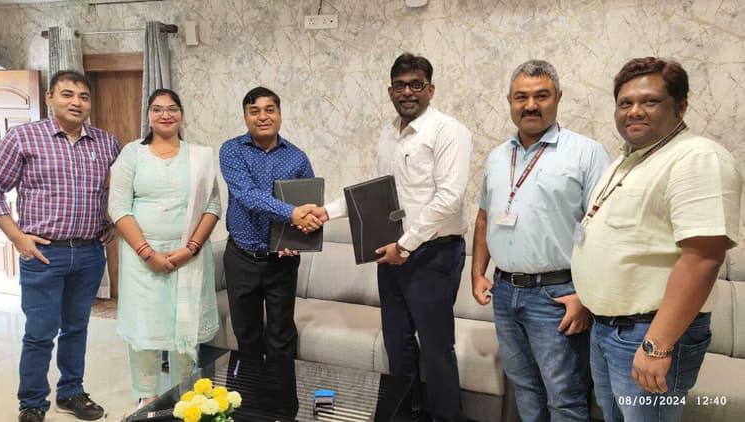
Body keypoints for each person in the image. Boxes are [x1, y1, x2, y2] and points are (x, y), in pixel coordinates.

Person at [571, 57, 742, 422]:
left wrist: (658, 345)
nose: (634, 111)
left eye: (650, 101)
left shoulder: (697, 158)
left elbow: (702, 258)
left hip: (648, 333)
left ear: (680, 106)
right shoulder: (628, 161)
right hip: (607, 328)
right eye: (625, 103)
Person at [315, 53, 472, 422]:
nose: (407, 92)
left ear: (430, 89)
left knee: (436, 348)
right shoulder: (389, 133)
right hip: (392, 253)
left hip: (433, 255)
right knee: (397, 343)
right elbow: (377, 193)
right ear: (390, 91)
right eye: (400, 86)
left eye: (416, 84)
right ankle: (405, 415)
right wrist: (327, 211)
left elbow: (449, 198)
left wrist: (406, 245)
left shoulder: (448, 131)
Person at [470, 60, 610, 422]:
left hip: (558, 295)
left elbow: (604, 230)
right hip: (504, 291)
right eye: (521, 97)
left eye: (541, 96)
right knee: (524, 388)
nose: (530, 105)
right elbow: (484, 215)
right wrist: (477, 273)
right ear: (510, 100)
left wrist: (586, 296)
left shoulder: (586, 153)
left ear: (558, 98)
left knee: (564, 397)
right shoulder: (497, 156)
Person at [0, 70, 121, 422]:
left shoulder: (107, 143)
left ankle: (71, 393)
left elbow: (126, 188)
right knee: (40, 332)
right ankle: (32, 402)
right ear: (49, 97)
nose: (76, 102)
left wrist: (114, 223)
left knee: (76, 328)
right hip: (43, 253)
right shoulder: (23, 137)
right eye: (67, 94)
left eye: (84, 97)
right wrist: (17, 236)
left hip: (90, 252)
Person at [108, 88, 221, 407]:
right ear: (148, 115)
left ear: (181, 114)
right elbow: (118, 207)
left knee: (185, 324)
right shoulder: (132, 154)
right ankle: (147, 395)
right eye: (157, 109)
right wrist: (147, 253)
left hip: (189, 258)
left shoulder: (199, 156)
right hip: (141, 260)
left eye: (172, 108)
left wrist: (191, 248)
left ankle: (184, 392)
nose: (165, 114)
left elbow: (213, 205)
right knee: (145, 326)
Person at [219, 86, 322, 361]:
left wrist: (298, 240)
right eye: (254, 111)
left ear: (280, 114)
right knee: (246, 335)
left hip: (281, 262)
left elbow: (308, 204)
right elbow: (247, 195)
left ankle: (282, 389)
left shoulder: (297, 157)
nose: (263, 116)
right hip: (242, 258)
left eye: (269, 110)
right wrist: (292, 214)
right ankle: (252, 389)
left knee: (281, 336)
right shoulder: (231, 150)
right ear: (245, 117)